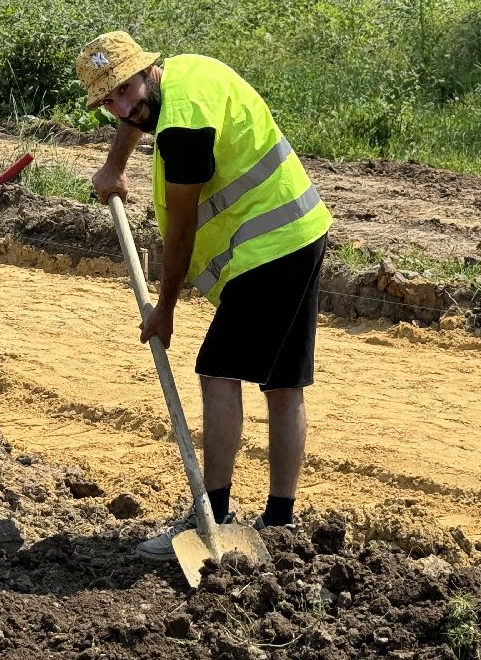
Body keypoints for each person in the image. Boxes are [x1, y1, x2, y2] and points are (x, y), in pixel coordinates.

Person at [76, 31, 332, 558]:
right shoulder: (185, 74)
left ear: (148, 71)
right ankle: (279, 524)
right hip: (300, 229)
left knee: (219, 370)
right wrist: (116, 166)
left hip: (270, 245)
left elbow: (181, 235)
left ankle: (211, 514)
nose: (125, 106)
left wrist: (164, 310)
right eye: (111, 101)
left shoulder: (184, 131)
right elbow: (136, 118)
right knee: (283, 385)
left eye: (126, 89)